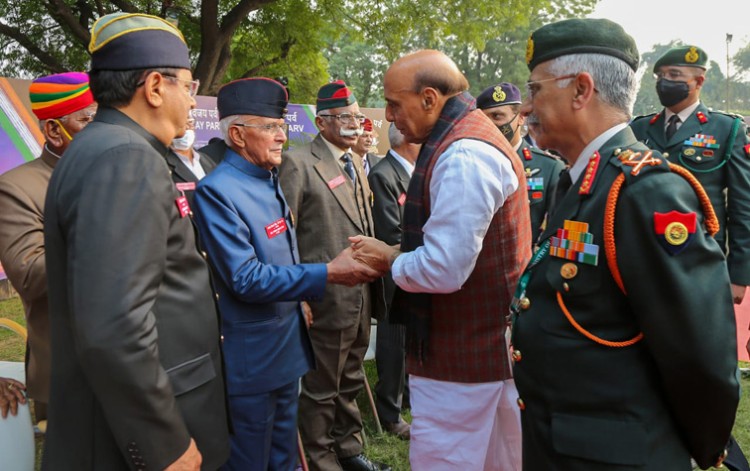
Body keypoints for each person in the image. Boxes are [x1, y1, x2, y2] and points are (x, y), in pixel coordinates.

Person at [511, 18, 739, 469]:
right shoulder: (583, 179)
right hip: (566, 444)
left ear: (580, 89)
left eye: (535, 90)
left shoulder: (643, 191)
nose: (525, 108)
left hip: (617, 456)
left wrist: (703, 445)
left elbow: (699, 352)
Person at [42, 12, 229, 470]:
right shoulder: (126, 158)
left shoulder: (108, 147)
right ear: (153, 87)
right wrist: (162, 443)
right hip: (135, 433)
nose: (193, 98)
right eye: (188, 85)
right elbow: (115, 327)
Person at [350, 49, 531, 471]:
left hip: (463, 364)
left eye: (395, 104)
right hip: (483, 352)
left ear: (430, 98)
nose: (389, 117)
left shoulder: (463, 154)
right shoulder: (466, 136)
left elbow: (443, 269)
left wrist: (390, 260)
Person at [193, 77, 380, 471]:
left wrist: (299, 300)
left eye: (282, 126)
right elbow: (244, 277)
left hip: (285, 348)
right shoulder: (218, 190)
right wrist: (325, 274)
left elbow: (285, 253)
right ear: (239, 135)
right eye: (272, 127)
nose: (282, 136)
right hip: (254, 358)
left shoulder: (265, 178)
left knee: (284, 459)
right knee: (252, 459)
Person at [278, 80, 388, 471]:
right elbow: (286, 234)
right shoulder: (298, 162)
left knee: (352, 374)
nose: (355, 124)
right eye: (345, 117)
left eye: (358, 116)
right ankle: (321, 458)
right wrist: (298, 292)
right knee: (322, 385)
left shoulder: (356, 160)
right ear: (322, 122)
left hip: (359, 294)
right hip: (323, 293)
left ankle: (349, 449)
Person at [0, 72, 96, 422]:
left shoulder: (119, 172)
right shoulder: (17, 187)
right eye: (87, 120)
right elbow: (30, 274)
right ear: (55, 130)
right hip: (73, 372)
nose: (101, 130)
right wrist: (106, 231)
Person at [630, 45, 750, 305]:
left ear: (698, 81)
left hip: (700, 254)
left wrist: (739, 273)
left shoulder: (727, 129)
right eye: (660, 76)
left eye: (674, 75)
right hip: (643, 253)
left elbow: (742, 206)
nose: (665, 82)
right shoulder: (639, 128)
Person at [368, 123, 420, 440]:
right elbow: (389, 233)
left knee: (409, 343)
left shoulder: (418, 172)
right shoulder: (383, 174)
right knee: (393, 345)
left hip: (414, 268)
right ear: (408, 140)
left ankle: (406, 396)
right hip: (394, 274)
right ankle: (389, 412)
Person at [477, 82, 565, 243]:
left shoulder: (549, 168)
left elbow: (554, 232)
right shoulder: (473, 164)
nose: (489, 125)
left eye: (497, 116)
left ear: (521, 118)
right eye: (483, 118)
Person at [168, 114, 216, 208]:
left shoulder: (207, 160)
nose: (185, 130)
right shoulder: (162, 163)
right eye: (180, 126)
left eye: (189, 124)